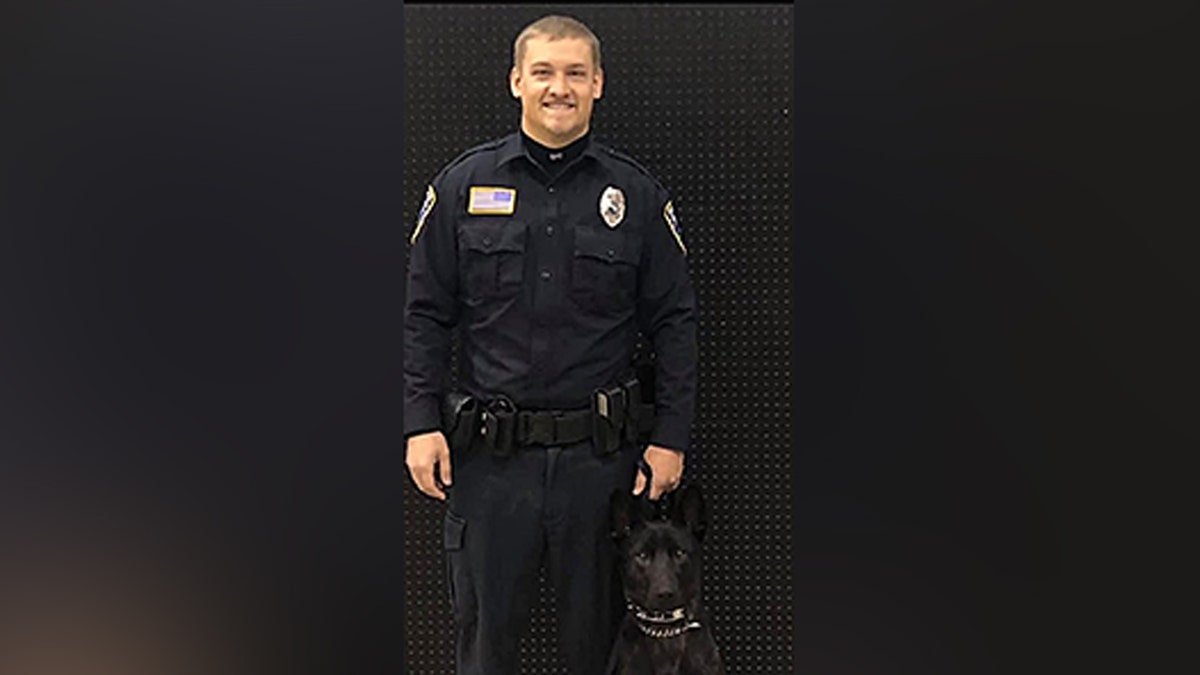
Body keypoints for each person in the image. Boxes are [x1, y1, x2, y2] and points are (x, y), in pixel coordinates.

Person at [404, 14, 697, 675]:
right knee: (485, 647)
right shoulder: (461, 188)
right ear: (516, 81)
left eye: (573, 73)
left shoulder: (636, 196)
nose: (557, 87)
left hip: (599, 468)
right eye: (542, 72)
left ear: (597, 83)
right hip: (489, 465)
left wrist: (671, 435)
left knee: (596, 649)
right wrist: (421, 423)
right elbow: (424, 314)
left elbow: (675, 321)